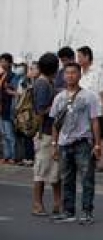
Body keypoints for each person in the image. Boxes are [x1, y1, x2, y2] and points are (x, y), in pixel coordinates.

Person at [49, 62, 102, 225]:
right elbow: (55, 123)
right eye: (67, 73)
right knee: (66, 179)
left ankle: (87, 212)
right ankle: (68, 211)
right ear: (63, 76)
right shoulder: (59, 97)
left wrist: (97, 144)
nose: (70, 76)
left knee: (87, 178)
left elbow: (95, 121)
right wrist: (54, 144)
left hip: (83, 143)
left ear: (79, 75)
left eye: (73, 73)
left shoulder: (89, 96)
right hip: (64, 143)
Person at [31, 52, 62, 217]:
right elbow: (41, 110)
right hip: (45, 133)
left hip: (52, 132)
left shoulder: (48, 82)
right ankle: (37, 204)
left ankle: (58, 204)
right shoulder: (42, 84)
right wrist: (58, 104)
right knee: (41, 170)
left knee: (55, 170)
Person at [76, 46, 103, 171]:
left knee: (99, 136)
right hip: (80, 109)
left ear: (87, 57)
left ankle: (102, 161)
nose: (78, 59)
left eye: (80, 57)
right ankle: (85, 160)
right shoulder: (78, 73)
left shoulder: (98, 72)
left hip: (96, 109)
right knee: (83, 135)